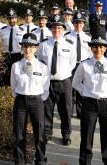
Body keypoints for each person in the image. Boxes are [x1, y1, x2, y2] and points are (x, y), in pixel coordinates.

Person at [72, 35, 107, 165]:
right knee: (86, 137)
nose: (98, 50)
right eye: (95, 47)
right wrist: (85, 92)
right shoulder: (84, 65)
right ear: (91, 48)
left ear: (105, 48)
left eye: (101, 47)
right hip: (89, 104)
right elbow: (75, 82)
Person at [37, 14, 76, 145]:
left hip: (64, 81)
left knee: (65, 110)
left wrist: (62, 73)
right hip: (47, 82)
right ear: (50, 29)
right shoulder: (43, 45)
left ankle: (66, 134)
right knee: (47, 109)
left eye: (59, 28)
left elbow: (72, 63)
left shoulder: (69, 45)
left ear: (63, 29)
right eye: (54, 28)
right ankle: (47, 133)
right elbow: (40, 62)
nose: (56, 30)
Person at [11, 33, 50, 165]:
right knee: (19, 134)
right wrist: (19, 96)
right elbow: (13, 85)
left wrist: (39, 98)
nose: (28, 49)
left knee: (39, 134)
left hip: (37, 101)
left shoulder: (42, 66)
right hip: (21, 101)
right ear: (22, 48)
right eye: (25, 46)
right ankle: (20, 160)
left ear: (36, 48)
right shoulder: (15, 66)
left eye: (31, 47)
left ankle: (40, 160)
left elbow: (46, 87)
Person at [65, 11, 92, 118]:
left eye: (81, 23)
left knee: (81, 89)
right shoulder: (67, 37)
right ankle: (70, 112)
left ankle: (80, 112)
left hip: (83, 65)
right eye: (76, 23)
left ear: (83, 24)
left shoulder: (88, 38)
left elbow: (90, 53)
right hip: (70, 66)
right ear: (73, 23)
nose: (78, 25)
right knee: (70, 90)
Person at [0, 8, 25, 86]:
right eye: (10, 18)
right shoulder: (3, 30)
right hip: (5, 55)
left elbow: (24, 45)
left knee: (17, 75)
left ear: (16, 18)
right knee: (4, 75)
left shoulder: (22, 30)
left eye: (13, 18)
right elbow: (0, 44)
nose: (11, 20)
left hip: (17, 56)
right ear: (7, 19)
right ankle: (4, 91)